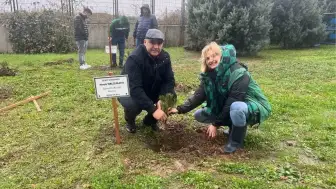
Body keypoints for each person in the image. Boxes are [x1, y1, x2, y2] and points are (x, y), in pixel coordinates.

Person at [169, 42, 271, 154]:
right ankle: (232, 126)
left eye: (214, 56)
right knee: (199, 115)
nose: (211, 60)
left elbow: (234, 100)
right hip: (230, 106)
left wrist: (215, 124)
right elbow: (199, 96)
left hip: (253, 105)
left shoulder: (238, 73)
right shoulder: (210, 76)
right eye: (207, 58)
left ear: (221, 55)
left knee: (236, 107)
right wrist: (179, 109)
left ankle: (236, 142)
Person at [118, 29, 176, 133]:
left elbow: (169, 80)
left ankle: (150, 121)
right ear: (145, 42)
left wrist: (162, 99)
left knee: (170, 97)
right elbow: (135, 88)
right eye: (152, 43)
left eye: (159, 43)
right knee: (133, 105)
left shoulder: (165, 57)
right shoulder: (135, 58)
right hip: (130, 92)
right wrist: (152, 109)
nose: (156, 47)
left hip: (151, 89)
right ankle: (130, 120)